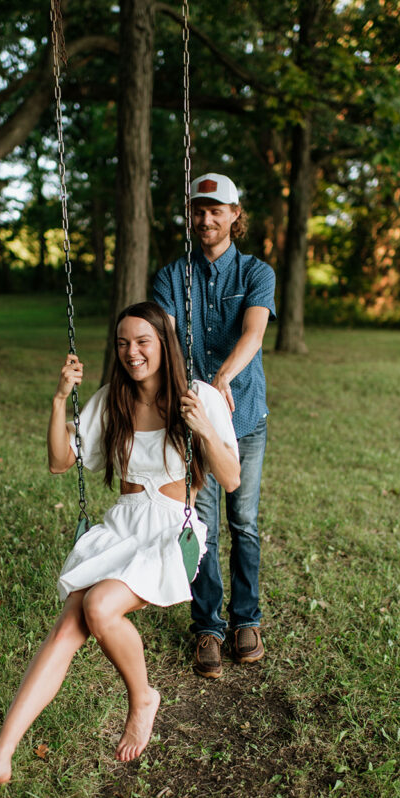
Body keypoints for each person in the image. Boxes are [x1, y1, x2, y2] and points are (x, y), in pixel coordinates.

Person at [0, 301, 239, 791]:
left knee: (100, 606)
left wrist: (203, 429)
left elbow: (231, 478)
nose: (132, 353)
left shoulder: (198, 397)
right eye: (123, 343)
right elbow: (58, 463)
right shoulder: (111, 399)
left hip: (173, 530)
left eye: (143, 342)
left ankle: (143, 697)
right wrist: (58, 399)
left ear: (164, 345)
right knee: (65, 631)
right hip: (123, 525)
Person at [154, 173, 276, 679]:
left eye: (216, 210)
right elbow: (163, 339)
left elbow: (253, 331)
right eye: (198, 210)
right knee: (201, 525)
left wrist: (223, 375)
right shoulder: (170, 277)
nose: (206, 218)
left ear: (234, 214)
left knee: (243, 521)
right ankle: (207, 626)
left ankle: (246, 621)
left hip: (243, 416)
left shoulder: (255, 272)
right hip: (190, 420)